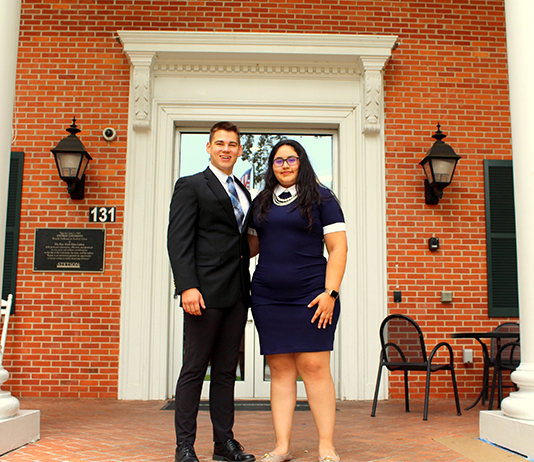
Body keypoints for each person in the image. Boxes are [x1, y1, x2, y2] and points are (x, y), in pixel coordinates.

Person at [248, 139, 348, 462]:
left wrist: (330, 293)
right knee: (280, 370)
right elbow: (248, 247)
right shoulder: (261, 201)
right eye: (278, 161)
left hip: (313, 296)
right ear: (271, 166)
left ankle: (326, 446)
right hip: (267, 297)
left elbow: (338, 249)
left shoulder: (323, 197)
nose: (285, 165)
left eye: (291, 159)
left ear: (302, 162)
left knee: (314, 367)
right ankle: (281, 447)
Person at [167, 122, 256, 462]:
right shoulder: (191, 186)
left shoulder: (244, 192)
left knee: (224, 372)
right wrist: (187, 286)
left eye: (232, 144)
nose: (226, 149)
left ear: (239, 150)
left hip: (236, 293)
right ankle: (185, 447)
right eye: (220, 143)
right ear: (208, 147)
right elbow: (178, 240)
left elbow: (242, 243)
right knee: (194, 369)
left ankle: (224, 443)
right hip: (202, 293)